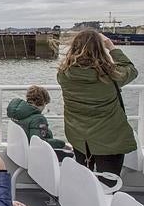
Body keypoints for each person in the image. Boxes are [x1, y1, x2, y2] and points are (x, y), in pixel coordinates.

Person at [57, 29, 138, 186]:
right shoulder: (111, 76)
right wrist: (112, 48)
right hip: (109, 140)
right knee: (108, 184)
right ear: (100, 50)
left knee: (82, 181)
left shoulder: (64, 74)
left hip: (79, 137)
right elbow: (131, 69)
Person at [7, 85, 72, 161]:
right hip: (35, 156)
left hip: (19, 152)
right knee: (72, 156)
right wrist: (62, 144)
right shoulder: (38, 119)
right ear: (43, 102)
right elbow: (38, 143)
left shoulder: (18, 114)